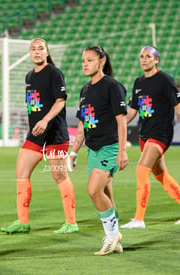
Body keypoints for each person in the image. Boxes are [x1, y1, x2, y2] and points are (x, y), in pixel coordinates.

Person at [1, 38, 78, 235]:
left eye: (40, 48)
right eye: (33, 49)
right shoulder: (29, 76)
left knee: (59, 175)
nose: (37, 52)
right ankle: (23, 222)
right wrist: (38, 124)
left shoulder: (54, 73)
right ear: (29, 53)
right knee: (21, 172)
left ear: (47, 52)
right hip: (35, 135)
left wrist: (45, 120)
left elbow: (60, 101)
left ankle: (71, 222)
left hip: (55, 134)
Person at [69, 45, 128, 255]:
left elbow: (121, 121)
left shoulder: (112, 86)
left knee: (93, 190)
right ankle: (115, 239)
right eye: (83, 61)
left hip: (109, 147)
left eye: (90, 60)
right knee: (104, 192)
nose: (85, 64)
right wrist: (74, 150)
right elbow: (83, 123)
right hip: (92, 149)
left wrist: (122, 151)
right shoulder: (84, 90)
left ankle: (112, 236)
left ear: (101, 62)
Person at [120, 45, 180, 229]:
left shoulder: (165, 80)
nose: (144, 59)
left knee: (141, 170)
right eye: (141, 56)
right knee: (161, 175)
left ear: (156, 60)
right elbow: (132, 112)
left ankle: (139, 219)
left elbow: (178, 107)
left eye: (148, 56)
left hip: (160, 133)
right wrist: (118, 123)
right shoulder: (138, 82)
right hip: (145, 134)